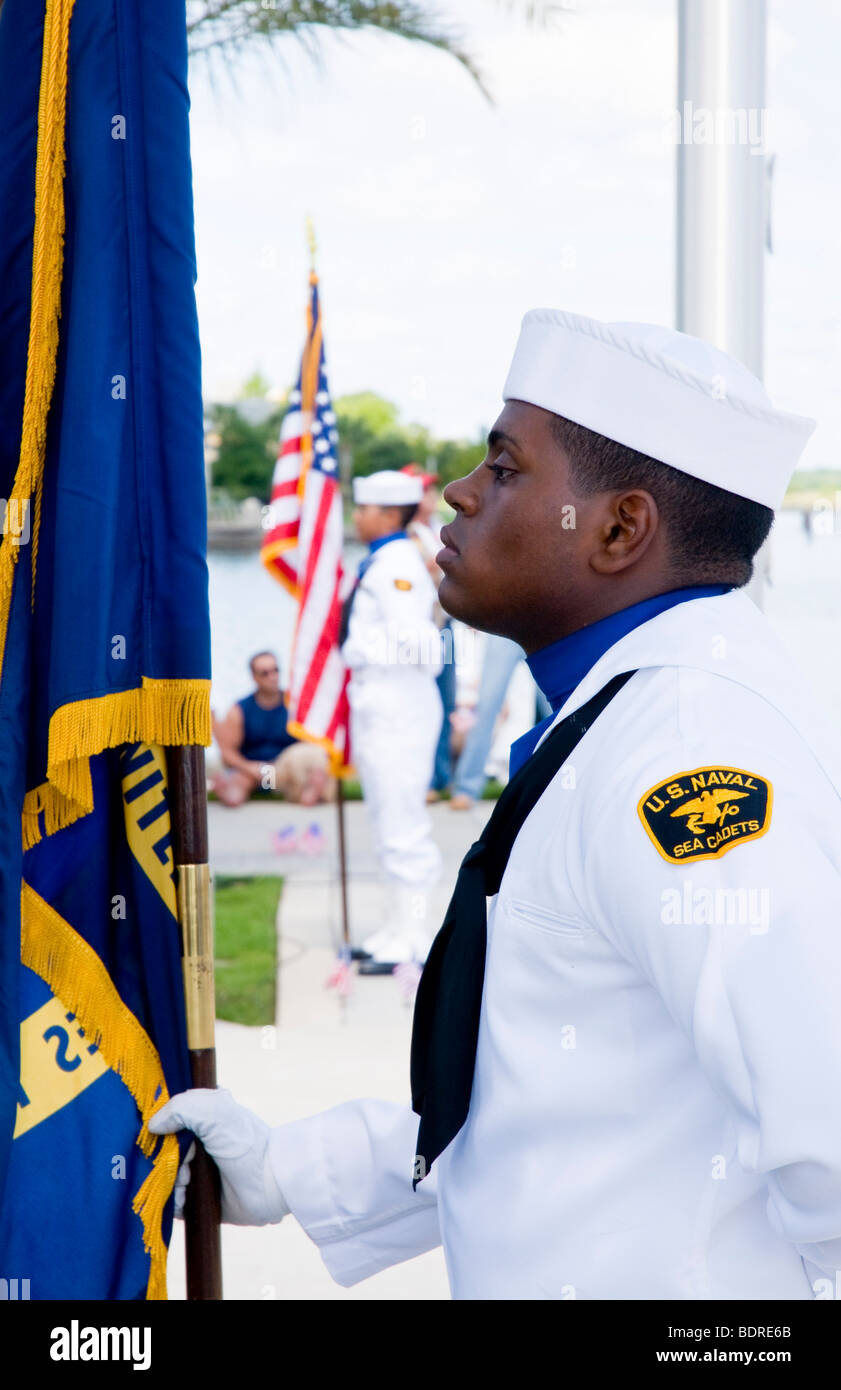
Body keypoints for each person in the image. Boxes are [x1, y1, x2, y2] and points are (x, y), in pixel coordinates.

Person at [150, 308, 841, 1301]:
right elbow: (561, 1100)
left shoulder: (690, 757)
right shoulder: (629, 709)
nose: (460, 494)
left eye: (506, 468)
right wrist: (294, 1170)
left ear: (617, 529)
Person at [339, 470, 444, 973]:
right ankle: (394, 930)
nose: (357, 518)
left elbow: (422, 644)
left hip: (397, 701)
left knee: (404, 827)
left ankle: (416, 938)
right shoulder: (385, 561)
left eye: (363, 509)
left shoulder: (397, 565)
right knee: (386, 823)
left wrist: (365, 652)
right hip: (381, 699)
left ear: (386, 514)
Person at [399, 464, 457, 800]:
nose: (431, 497)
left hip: (443, 625)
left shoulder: (437, 528)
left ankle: (440, 777)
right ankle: (422, 777)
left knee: (444, 701)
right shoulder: (407, 535)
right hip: (419, 629)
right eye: (424, 491)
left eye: (431, 490)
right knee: (419, 702)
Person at [211, 652, 333, 807]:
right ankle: (226, 790)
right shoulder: (240, 710)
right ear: (254, 677)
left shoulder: (294, 704)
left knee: (313, 757)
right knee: (235, 792)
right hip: (252, 772)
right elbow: (228, 752)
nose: (272, 676)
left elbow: (312, 743)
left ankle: (310, 793)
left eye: (275, 670)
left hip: (283, 772)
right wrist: (250, 768)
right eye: (265, 673)